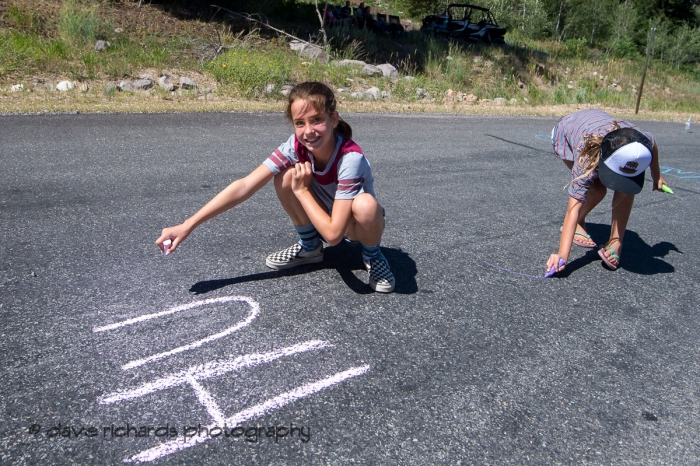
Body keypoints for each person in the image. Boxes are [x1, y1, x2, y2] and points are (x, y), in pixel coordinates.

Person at [156, 82, 395, 293]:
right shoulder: (295, 146)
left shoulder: (350, 158)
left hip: (355, 226)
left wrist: (302, 191)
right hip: (324, 214)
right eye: (299, 123)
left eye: (317, 120)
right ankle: (310, 248)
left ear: (334, 119)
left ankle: (373, 255)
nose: (308, 131)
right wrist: (188, 225)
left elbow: (334, 236)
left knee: (366, 205)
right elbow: (245, 185)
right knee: (284, 176)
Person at [546, 109, 669, 273]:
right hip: (568, 130)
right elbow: (572, 208)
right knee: (597, 189)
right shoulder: (586, 157)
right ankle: (577, 224)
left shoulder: (640, 142)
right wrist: (562, 255)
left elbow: (652, 142)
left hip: (604, 129)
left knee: (626, 188)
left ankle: (616, 242)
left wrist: (656, 174)